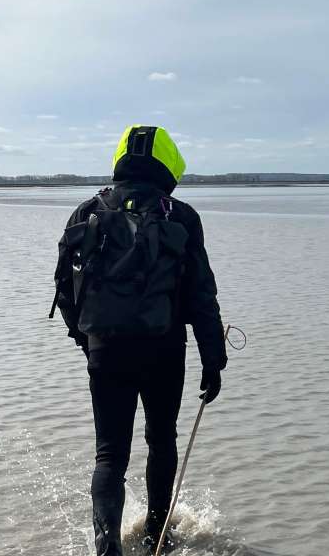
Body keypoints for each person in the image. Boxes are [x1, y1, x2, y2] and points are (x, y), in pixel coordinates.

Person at [52, 125, 227, 555]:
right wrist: (213, 360)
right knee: (161, 439)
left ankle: (106, 545)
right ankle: (155, 536)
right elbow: (202, 294)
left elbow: (65, 288)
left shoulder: (86, 211)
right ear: (166, 163)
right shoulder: (181, 216)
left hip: (105, 349)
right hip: (164, 350)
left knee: (109, 454)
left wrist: (86, 339)